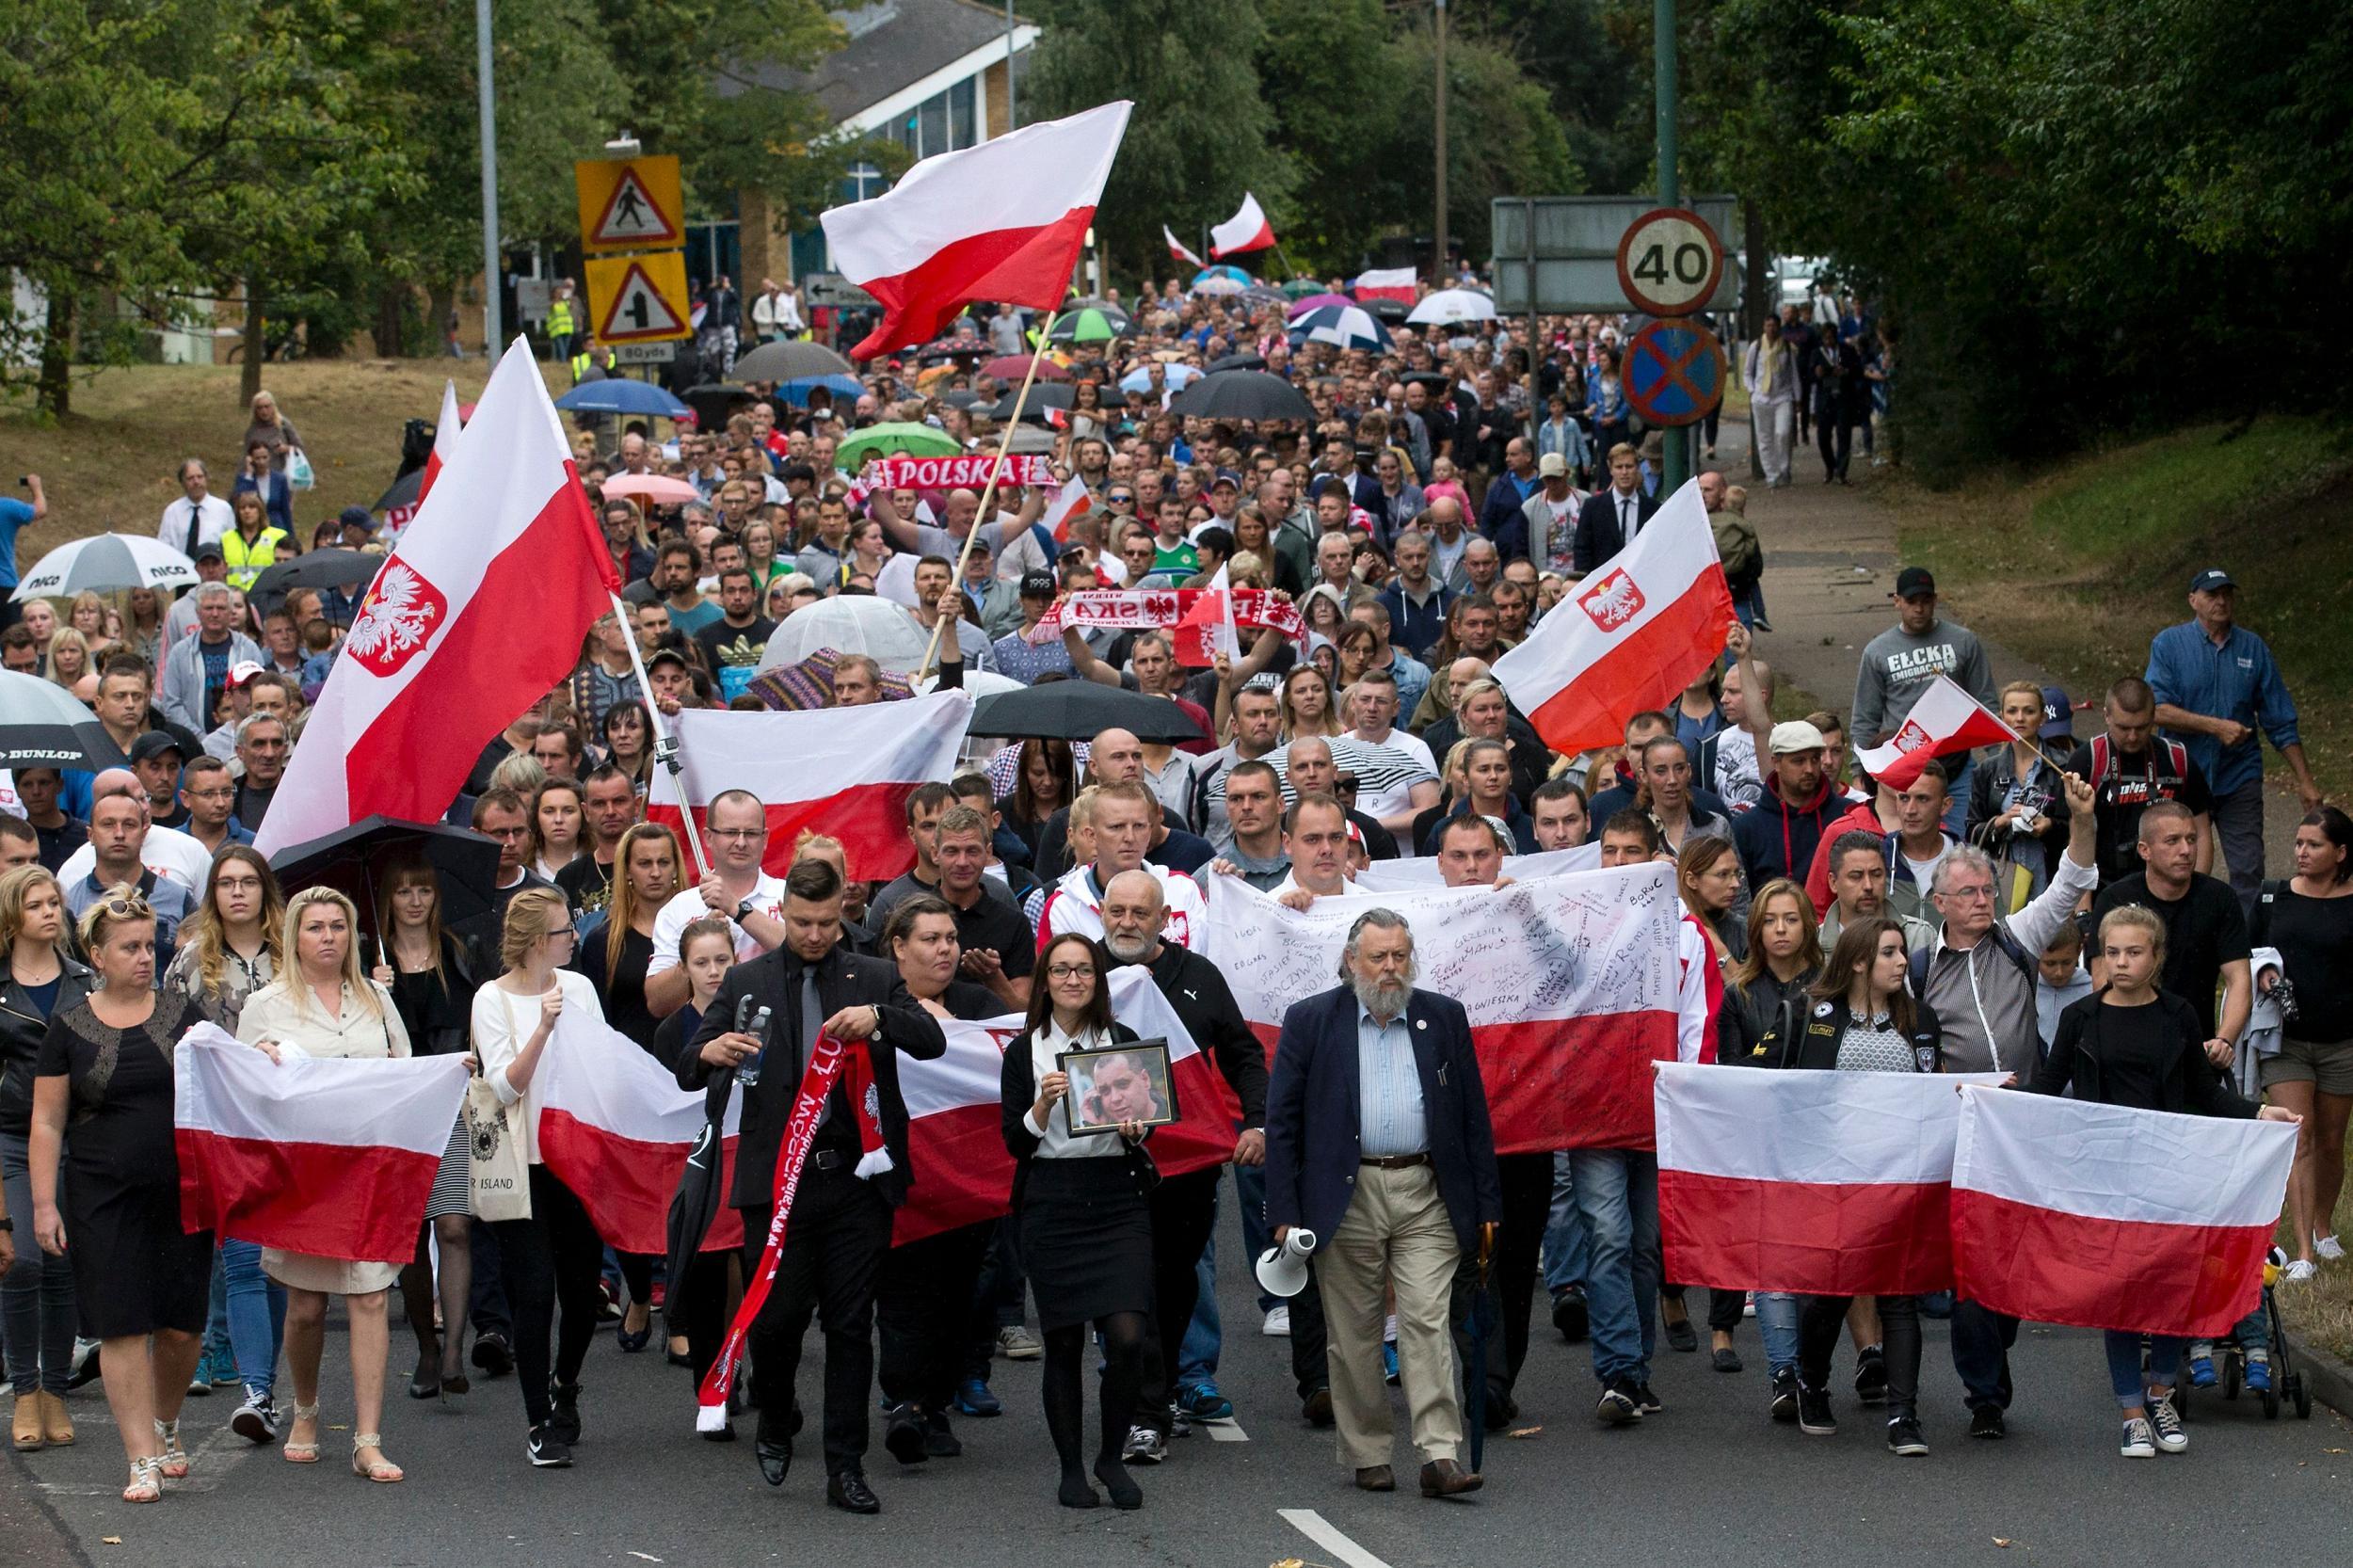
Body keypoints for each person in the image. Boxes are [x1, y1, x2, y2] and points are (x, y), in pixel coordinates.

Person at [679, 856, 943, 1512]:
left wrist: (880, 1018)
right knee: (776, 1322)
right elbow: (689, 1061)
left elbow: (931, 1040)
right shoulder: (747, 979)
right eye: (802, 922)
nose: (816, 934)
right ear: (782, 912)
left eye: (827, 922)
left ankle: (845, 1466)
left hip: (855, 1178)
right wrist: (709, 1052)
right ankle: (774, 1414)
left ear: (841, 915)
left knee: (852, 1326)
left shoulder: (873, 974)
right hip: (776, 1182)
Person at [2032, 904, 2298, 1459]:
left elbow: (2206, 1095)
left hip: (2171, 1174)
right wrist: (1986, 1102)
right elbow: (2046, 1088)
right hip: (2105, 1179)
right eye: (2112, 952)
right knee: (2122, 1297)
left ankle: (2161, 1394)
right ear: (2098, 956)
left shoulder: (2178, 1015)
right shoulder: (2081, 1017)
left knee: (2171, 1289)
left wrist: (2257, 1114)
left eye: (2134, 952)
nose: (2122, 962)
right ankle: (2131, 1409)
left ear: (2156, 958)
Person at [1263, 909, 1499, 1497]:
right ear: (1352, 961)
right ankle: (1368, 1451)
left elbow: (1473, 1116)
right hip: (1346, 1197)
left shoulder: (1443, 1017)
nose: (1391, 969)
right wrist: (1284, 1212)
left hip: (1426, 1193)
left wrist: (1487, 1202)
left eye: (1399, 956)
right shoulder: (1312, 1021)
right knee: (1355, 1333)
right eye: (1378, 957)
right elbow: (1283, 1123)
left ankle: (1439, 1456)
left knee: (1425, 1323)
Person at [26, 889, 213, 1503]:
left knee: (183, 1328)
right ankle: (140, 1457)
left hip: (181, 1191)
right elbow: (48, 1122)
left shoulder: (183, 1012)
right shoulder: (68, 1027)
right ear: (97, 956)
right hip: (100, 1195)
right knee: (121, 1325)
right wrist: (44, 1205)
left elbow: (225, 1080)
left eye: (148, 945)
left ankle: (165, 1421)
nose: (143, 957)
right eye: (129, 948)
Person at [234, 888, 411, 1483]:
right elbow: (243, 1095)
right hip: (302, 1175)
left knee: (369, 1296)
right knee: (306, 1306)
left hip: (367, 1169)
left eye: (340, 926)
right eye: (315, 928)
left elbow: (405, 1073)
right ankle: (305, 1408)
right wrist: (256, 1059)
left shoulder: (378, 999)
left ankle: (368, 1438)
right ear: (294, 937)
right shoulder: (264, 1005)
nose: (329, 937)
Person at [1097, 870, 1268, 1453]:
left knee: (1173, 1288)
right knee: (1130, 1286)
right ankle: (1142, 1408)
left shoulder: (1198, 976)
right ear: (1100, 913)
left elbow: (1244, 1054)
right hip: (1106, 1165)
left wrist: (1257, 1121)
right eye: (1116, 911)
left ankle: (1162, 1386)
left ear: (1165, 919)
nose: (1126, 923)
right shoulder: (1077, 972)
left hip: (1187, 1169)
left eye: (1139, 914)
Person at [1773, 918, 1945, 1453]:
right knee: (1832, 1293)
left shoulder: (1921, 1018)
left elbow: (1935, 1093)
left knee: (1898, 1297)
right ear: (1858, 962)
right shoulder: (1811, 1014)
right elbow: (1769, 1086)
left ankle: (1903, 1416)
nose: (1902, 962)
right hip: (1834, 1181)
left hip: (1897, 1179)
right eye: (1890, 953)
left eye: (1902, 953)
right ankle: (1811, 1379)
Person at [1001, 931, 1159, 1510]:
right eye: (1061, 970)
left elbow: (1151, 1116)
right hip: (1052, 1200)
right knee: (1063, 1341)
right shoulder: (1024, 1053)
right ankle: (1072, 1469)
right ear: (1045, 981)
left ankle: (1110, 1457)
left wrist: (1141, 1127)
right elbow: (1015, 1143)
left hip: (1117, 1200)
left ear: (1098, 981)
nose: (1073, 980)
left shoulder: (1120, 1043)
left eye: (1084, 970)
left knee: (1127, 1336)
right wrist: (1041, 1106)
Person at [470, 888, 609, 1468]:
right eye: (562, 932)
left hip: (576, 1161)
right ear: (533, 943)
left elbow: (603, 1064)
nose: (573, 939)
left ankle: (566, 1385)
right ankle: (538, 1421)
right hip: (521, 1166)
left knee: (581, 1296)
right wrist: (545, 1028)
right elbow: (505, 1087)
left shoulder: (578, 987)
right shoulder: (491, 999)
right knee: (534, 1293)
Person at [870, 897, 1005, 1465]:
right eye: (930, 939)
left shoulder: (978, 1004)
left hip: (966, 1186)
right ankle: (905, 1402)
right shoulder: (871, 1001)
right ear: (898, 946)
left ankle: (938, 1404)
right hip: (899, 1181)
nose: (945, 948)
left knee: (958, 1298)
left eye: (950, 937)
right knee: (902, 1296)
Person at [2145, 568, 2324, 907]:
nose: (2222, 601)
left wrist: (2305, 781)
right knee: (2179, 865)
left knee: (2248, 869)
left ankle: (2246, 950)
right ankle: (2184, 937)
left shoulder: (2252, 648)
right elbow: (2156, 709)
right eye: (2212, 595)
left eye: (2227, 594)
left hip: (2238, 775)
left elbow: (2280, 719)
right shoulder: (2168, 644)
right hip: (2183, 776)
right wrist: (2215, 726)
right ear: (2193, 600)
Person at [371, 860, 482, 1400]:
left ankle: (456, 1348)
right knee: (411, 1234)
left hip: (456, 1100)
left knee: (455, 1226)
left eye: (424, 890)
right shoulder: (371, 959)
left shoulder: (461, 951)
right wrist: (375, 991)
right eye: (403, 891)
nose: (414, 901)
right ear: (388, 899)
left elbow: (483, 1014)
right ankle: (427, 1347)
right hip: (398, 1106)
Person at [1719, 879, 1824, 1415]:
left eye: (1791, 919)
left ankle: (1814, 1370)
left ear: (1808, 925)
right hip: (1763, 1143)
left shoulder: (1831, 990)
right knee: (1773, 1265)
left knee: (1816, 1267)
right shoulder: (1736, 994)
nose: (1781, 930)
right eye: (1769, 920)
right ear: (1756, 929)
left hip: (1823, 1144)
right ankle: (1784, 1373)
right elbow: (1731, 1073)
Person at [1, 866, 91, 1451]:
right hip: (9, 1135)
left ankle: (56, 1390)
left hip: (76, 1137)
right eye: (35, 904)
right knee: (23, 1260)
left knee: (61, 1265)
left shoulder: (86, 980)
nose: (50, 912)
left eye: (54, 902)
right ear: (13, 916)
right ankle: (25, 1387)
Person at [2250, 807, 2353, 1283]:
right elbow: (2246, 953)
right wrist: (2264, 974)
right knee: (2301, 1136)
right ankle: (2304, 1253)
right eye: (2298, 843)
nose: (2302, 852)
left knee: (2332, 1141)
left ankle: (2324, 1226)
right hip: (2286, 1040)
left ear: (2341, 852)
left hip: (2342, 1042)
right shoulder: (2273, 897)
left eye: (2313, 845)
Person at [2091, 801, 2250, 1050]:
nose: (2186, 850)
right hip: (2129, 1046)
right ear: (2145, 850)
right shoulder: (2114, 899)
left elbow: (2239, 978)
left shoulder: (2220, 899)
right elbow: (2102, 980)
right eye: (2172, 841)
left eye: (2191, 839)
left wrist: (2224, 1039)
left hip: (2198, 1047)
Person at [1851, 568, 1995, 831]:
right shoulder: (1878, 651)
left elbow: (1986, 703)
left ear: (1935, 601)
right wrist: (1859, 772)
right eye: (1911, 602)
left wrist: (1999, 758)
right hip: (1903, 764)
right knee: (1903, 837)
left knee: (1957, 838)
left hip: (1956, 763)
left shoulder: (1963, 642)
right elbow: (1865, 716)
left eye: (1925, 601)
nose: (1919, 609)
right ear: (1897, 601)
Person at [644, 790, 787, 1018]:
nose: (741, 842)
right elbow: (658, 1003)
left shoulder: (787, 894)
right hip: (704, 1039)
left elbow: (807, 954)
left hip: (777, 1033)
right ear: (708, 837)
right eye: (730, 832)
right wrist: (697, 945)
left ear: (765, 838)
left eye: (750, 833)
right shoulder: (679, 907)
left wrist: (737, 909)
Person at [2067, 676, 2215, 888]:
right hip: (2105, 888)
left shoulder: (2177, 759)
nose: (2133, 737)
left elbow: (2201, 832)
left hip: (2169, 889)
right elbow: (2075, 838)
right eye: (2124, 728)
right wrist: (2083, 911)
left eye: (2142, 727)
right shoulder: (2087, 760)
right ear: (2106, 716)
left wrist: (2199, 891)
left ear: (2154, 718)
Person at [1968, 680, 2073, 906]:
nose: (2020, 718)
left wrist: (2049, 826)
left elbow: (2078, 826)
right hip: (2003, 872)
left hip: (2050, 870)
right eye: (2012, 711)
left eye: (2029, 711)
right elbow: (1971, 831)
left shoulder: (2062, 766)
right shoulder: (1986, 771)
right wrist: (2000, 822)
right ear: (2001, 717)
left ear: (2042, 718)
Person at [159, 584, 265, 735]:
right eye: (209, 608)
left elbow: (261, 694)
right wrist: (198, 737)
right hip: (194, 744)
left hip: (244, 738)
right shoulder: (180, 653)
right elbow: (171, 703)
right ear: (197, 612)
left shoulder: (248, 649)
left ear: (230, 612)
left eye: (221, 608)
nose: (215, 614)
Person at [1572, 443, 1656, 572]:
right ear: (1610, 469)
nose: (1624, 472)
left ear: (1637, 468)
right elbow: (1582, 550)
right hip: (1603, 585)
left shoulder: (1652, 508)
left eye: (1629, 466)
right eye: (1618, 467)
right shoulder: (1593, 507)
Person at [156, 458, 232, 557]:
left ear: (206, 478)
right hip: (181, 569)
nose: (196, 482)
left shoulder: (223, 509)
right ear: (182, 482)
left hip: (213, 569)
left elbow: (232, 545)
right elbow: (163, 547)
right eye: (190, 478)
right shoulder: (172, 512)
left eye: (200, 477)